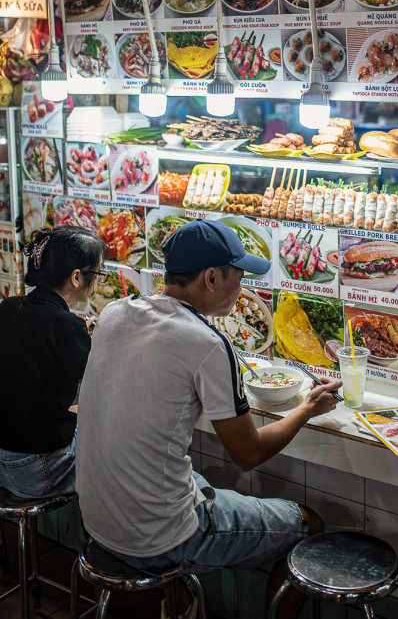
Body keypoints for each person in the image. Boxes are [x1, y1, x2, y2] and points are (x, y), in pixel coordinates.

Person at [76, 219, 341, 616]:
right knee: (309, 523)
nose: (243, 286)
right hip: (159, 537)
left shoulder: (115, 312)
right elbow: (246, 455)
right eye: (239, 276)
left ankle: (176, 603)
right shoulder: (208, 343)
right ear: (212, 278)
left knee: (196, 479)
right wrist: (306, 408)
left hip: (96, 518)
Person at [0, 226, 106, 499]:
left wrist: (80, 333)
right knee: (118, 452)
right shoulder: (65, 325)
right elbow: (102, 382)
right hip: (35, 471)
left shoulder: (9, 307)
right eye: (98, 274)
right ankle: (102, 540)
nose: (97, 281)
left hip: (3, 458)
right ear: (76, 277)